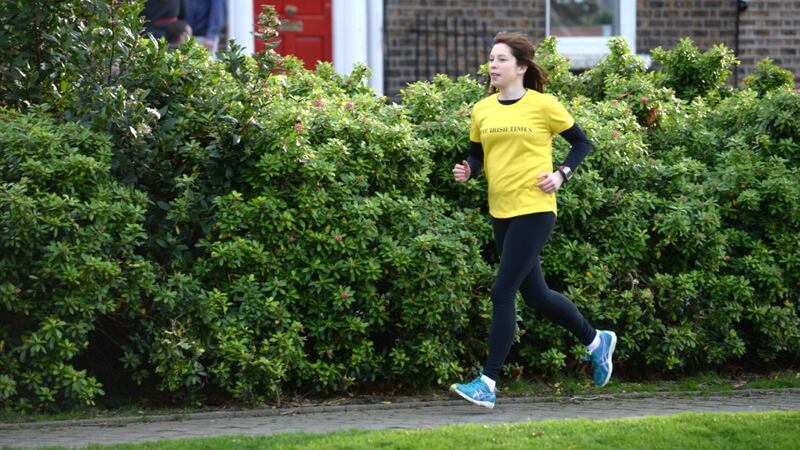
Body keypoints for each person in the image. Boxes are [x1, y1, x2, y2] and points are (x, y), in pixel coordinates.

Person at [449, 32, 617, 409]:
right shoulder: (483, 110)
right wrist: (469, 171)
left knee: (502, 291)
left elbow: (582, 142)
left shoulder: (544, 105)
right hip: (501, 210)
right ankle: (596, 341)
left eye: (501, 59)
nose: (493, 65)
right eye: (491, 59)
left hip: (535, 209)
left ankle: (487, 382)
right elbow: (478, 157)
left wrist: (561, 174)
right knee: (536, 294)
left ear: (521, 67)